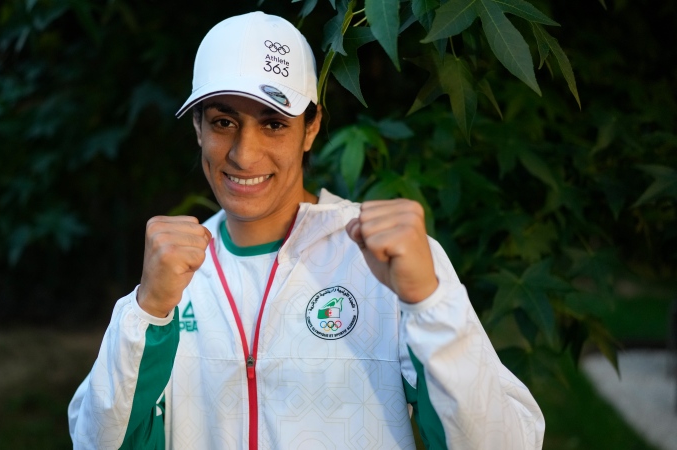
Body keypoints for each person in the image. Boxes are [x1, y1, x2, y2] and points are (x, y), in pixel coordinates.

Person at [68, 11, 545, 450]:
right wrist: (146, 311)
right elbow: (97, 441)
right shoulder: (173, 276)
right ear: (197, 126)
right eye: (223, 121)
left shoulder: (387, 260)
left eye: (273, 123)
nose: (243, 154)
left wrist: (429, 301)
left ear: (312, 127)